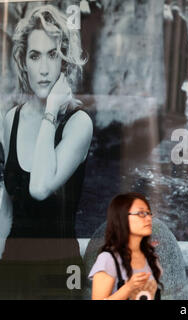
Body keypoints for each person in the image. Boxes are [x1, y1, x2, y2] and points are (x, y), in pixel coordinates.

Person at [0, 5, 93, 299]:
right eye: (34, 55)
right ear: (23, 62)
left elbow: (39, 187)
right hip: (13, 269)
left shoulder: (78, 124)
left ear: (64, 62)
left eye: (52, 55)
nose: (43, 69)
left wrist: (50, 111)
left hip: (60, 276)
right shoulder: (10, 120)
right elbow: (7, 206)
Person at [89, 192, 163, 300]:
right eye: (141, 213)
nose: (148, 218)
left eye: (149, 213)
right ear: (122, 217)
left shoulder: (151, 258)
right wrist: (128, 288)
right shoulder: (108, 259)